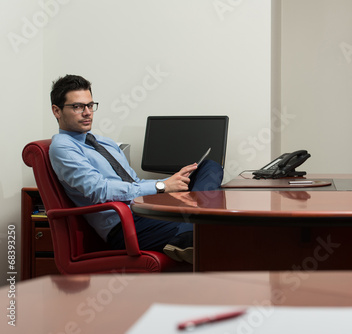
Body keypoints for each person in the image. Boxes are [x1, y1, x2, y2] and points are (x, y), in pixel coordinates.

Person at [48, 74, 223, 264]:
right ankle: (191, 232)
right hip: (124, 225)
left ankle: (192, 224)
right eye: (77, 107)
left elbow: (134, 183)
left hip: (144, 211)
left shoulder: (105, 143)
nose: (87, 112)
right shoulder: (63, 147)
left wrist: (172, 182)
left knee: (210, 167)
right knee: (213, 235)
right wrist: (161, 187)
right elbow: (99, 190)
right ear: (56, 111)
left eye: (90, 105)